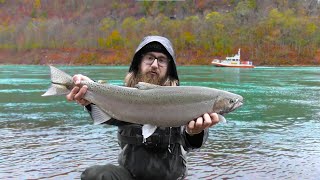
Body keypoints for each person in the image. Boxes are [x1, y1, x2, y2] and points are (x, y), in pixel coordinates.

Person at [66, 36, 220, 180]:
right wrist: (88, 93)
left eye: (161, 60)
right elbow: (109, 115)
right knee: (95, 174)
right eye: (149, 58)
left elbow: (191, 142)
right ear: (139, 63)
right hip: (129, 176)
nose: (154, 65)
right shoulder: (124, 97)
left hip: (171, 177)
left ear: (169, 68)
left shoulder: (185, 99)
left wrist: (195, 132)